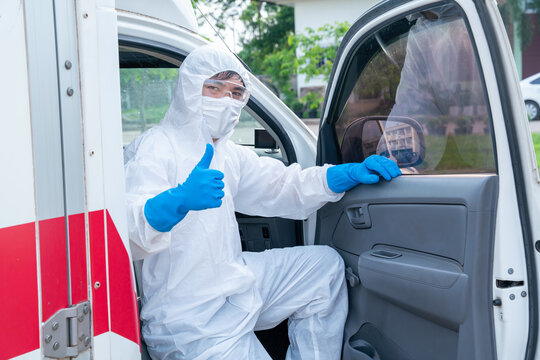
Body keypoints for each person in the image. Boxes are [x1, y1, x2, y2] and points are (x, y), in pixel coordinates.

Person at [124, 44, 401, 360]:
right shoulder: (154, 149)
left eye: (236, 92)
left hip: (232, 282)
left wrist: (340, 175)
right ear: (189, 89)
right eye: (215, 88)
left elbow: (282, 186)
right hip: (190, 324)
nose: (227, 101)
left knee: (323, 268)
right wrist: (177, 201)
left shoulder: (227, 153)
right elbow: (125, 231)